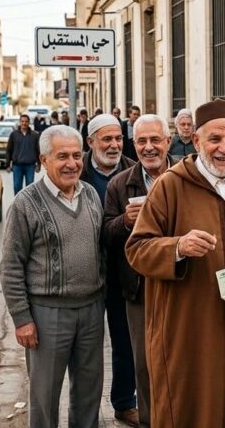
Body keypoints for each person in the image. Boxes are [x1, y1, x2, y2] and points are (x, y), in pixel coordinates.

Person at [125, 99, 225, 427]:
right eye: (215, 139)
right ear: (195, 141)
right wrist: (178, 246)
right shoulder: (171, 185)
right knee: (192, 410)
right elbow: (137, 249)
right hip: (190, 330)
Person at [0, 125, 105, 428]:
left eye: (76, 155)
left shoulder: (92, 196)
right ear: (43, 160)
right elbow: (10, 266)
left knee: (89, 393)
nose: (72, 163)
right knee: (45, 396)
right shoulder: (25, 203)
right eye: (62, 157)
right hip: (47, 316)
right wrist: (22, 318)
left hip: (91, 310)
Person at [104, 115, 174, 427]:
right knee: (144, 365)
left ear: (168, 142)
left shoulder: (188, 175)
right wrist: (125, 222)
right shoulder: (120, 184)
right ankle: (149, 421)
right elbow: (105, 232)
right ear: (135, 145)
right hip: (138, 290)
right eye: (142, 141)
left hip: (181, 285)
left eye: (155, 140)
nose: (149, 147)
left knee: (181, 360)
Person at [79, 113, 138, 426]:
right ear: (91, 142)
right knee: (87, 347)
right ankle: (85, 411)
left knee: (124, 340)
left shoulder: (133, 170)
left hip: (122, 271)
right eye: (107, 139)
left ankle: (125, 401)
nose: (114, 145)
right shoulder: (77, 170)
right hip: (86, 272)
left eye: (118, 138)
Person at [5, 115, 41, 194]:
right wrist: (7, 164)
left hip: (30, 166)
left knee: (30, 188)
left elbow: (38, 150)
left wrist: (39, 164)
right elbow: (9, 150)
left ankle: (29, 205)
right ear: (20, 122)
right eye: (22, 121)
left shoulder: (34, 135)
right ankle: (19, 205)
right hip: (17, 166)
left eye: (26, 121)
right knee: (17, 187)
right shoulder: (14, 135)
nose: (24, 123)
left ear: (29, 123)